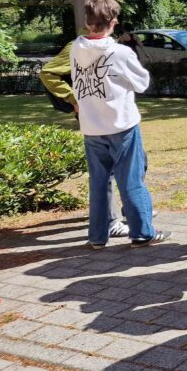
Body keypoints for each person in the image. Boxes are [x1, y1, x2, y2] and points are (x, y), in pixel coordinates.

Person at [70, 0, 169, 249]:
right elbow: (142, 83)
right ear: (113, 22)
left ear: (87, 21)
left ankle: (97, 236)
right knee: (131, 180)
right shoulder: (120, 52)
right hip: (121, 125)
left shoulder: (75, 48)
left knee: (99, 183)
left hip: (91, 126)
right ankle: (142, 232)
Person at [40, 42, 130, 239]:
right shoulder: (78, 45)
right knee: (106, 170)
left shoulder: (107, 43)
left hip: (115, 114)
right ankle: (111, 222)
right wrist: (74, 99)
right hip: (95, 117)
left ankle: (130, 210)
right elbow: (48, 72)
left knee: (136, 162)